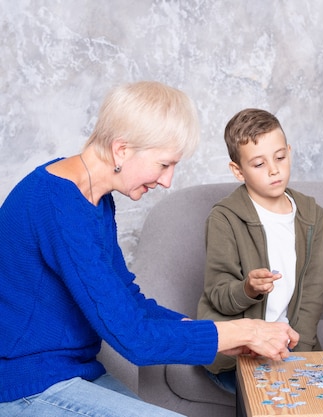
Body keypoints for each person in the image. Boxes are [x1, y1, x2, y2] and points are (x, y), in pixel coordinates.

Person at [0, 82, 299, 417]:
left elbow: (128, 301)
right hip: (27, 386)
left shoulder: (93, 198)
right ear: (121, 150)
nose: (167, 181)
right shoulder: (57, 205)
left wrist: (217, 335)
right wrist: (235, 330)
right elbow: (134, 339)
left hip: (74, 373)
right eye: (163, 164)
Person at [197, 108, 323, 394]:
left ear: (289, 152)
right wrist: (248, 289)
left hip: (291, 349)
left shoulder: (311, 215)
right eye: (258, 164)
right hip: (238, 356)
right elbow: (218, 294)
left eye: (280, 157)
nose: (274, 169)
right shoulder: (224, 218)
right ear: (237, 170)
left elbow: (313, 293)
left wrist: (299, 354)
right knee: (271, 401)